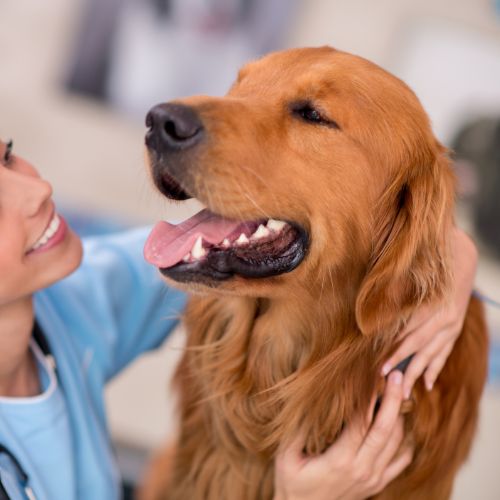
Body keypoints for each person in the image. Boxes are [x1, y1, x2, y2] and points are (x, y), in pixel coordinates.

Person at [0, 138, 477, 499]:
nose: (38, 190)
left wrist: (447, 248)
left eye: (8, 157)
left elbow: (216, 244)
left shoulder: (67, 304)